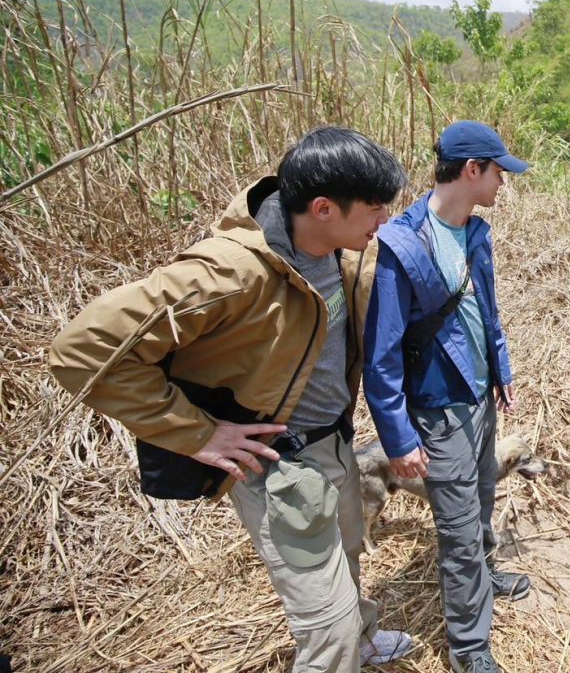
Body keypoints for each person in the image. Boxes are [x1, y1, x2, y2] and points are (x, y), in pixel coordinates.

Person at [49, 126, 413, 672]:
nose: (384, 220)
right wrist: (197, 433)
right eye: (375, 208)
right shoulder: (232, 273)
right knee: (327, 631)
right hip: (282, 467)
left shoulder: (340, 251)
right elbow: (81, 350)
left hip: (336, 446)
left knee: (349, 555)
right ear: (323, 208)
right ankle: (344, 646)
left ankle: (362, 638)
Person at [364, 120, 529, 673]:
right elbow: (381, 355)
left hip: (479, 397)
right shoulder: (402, 245)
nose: (503, 182)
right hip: (438, 409)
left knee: (481, 496)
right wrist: (398, 436)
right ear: (471, 170)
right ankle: (469, 649)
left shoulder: (475, 233)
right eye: (498, 171)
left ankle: (487, 570)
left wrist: (500, 368)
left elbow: (488, 310)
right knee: (456, 533)